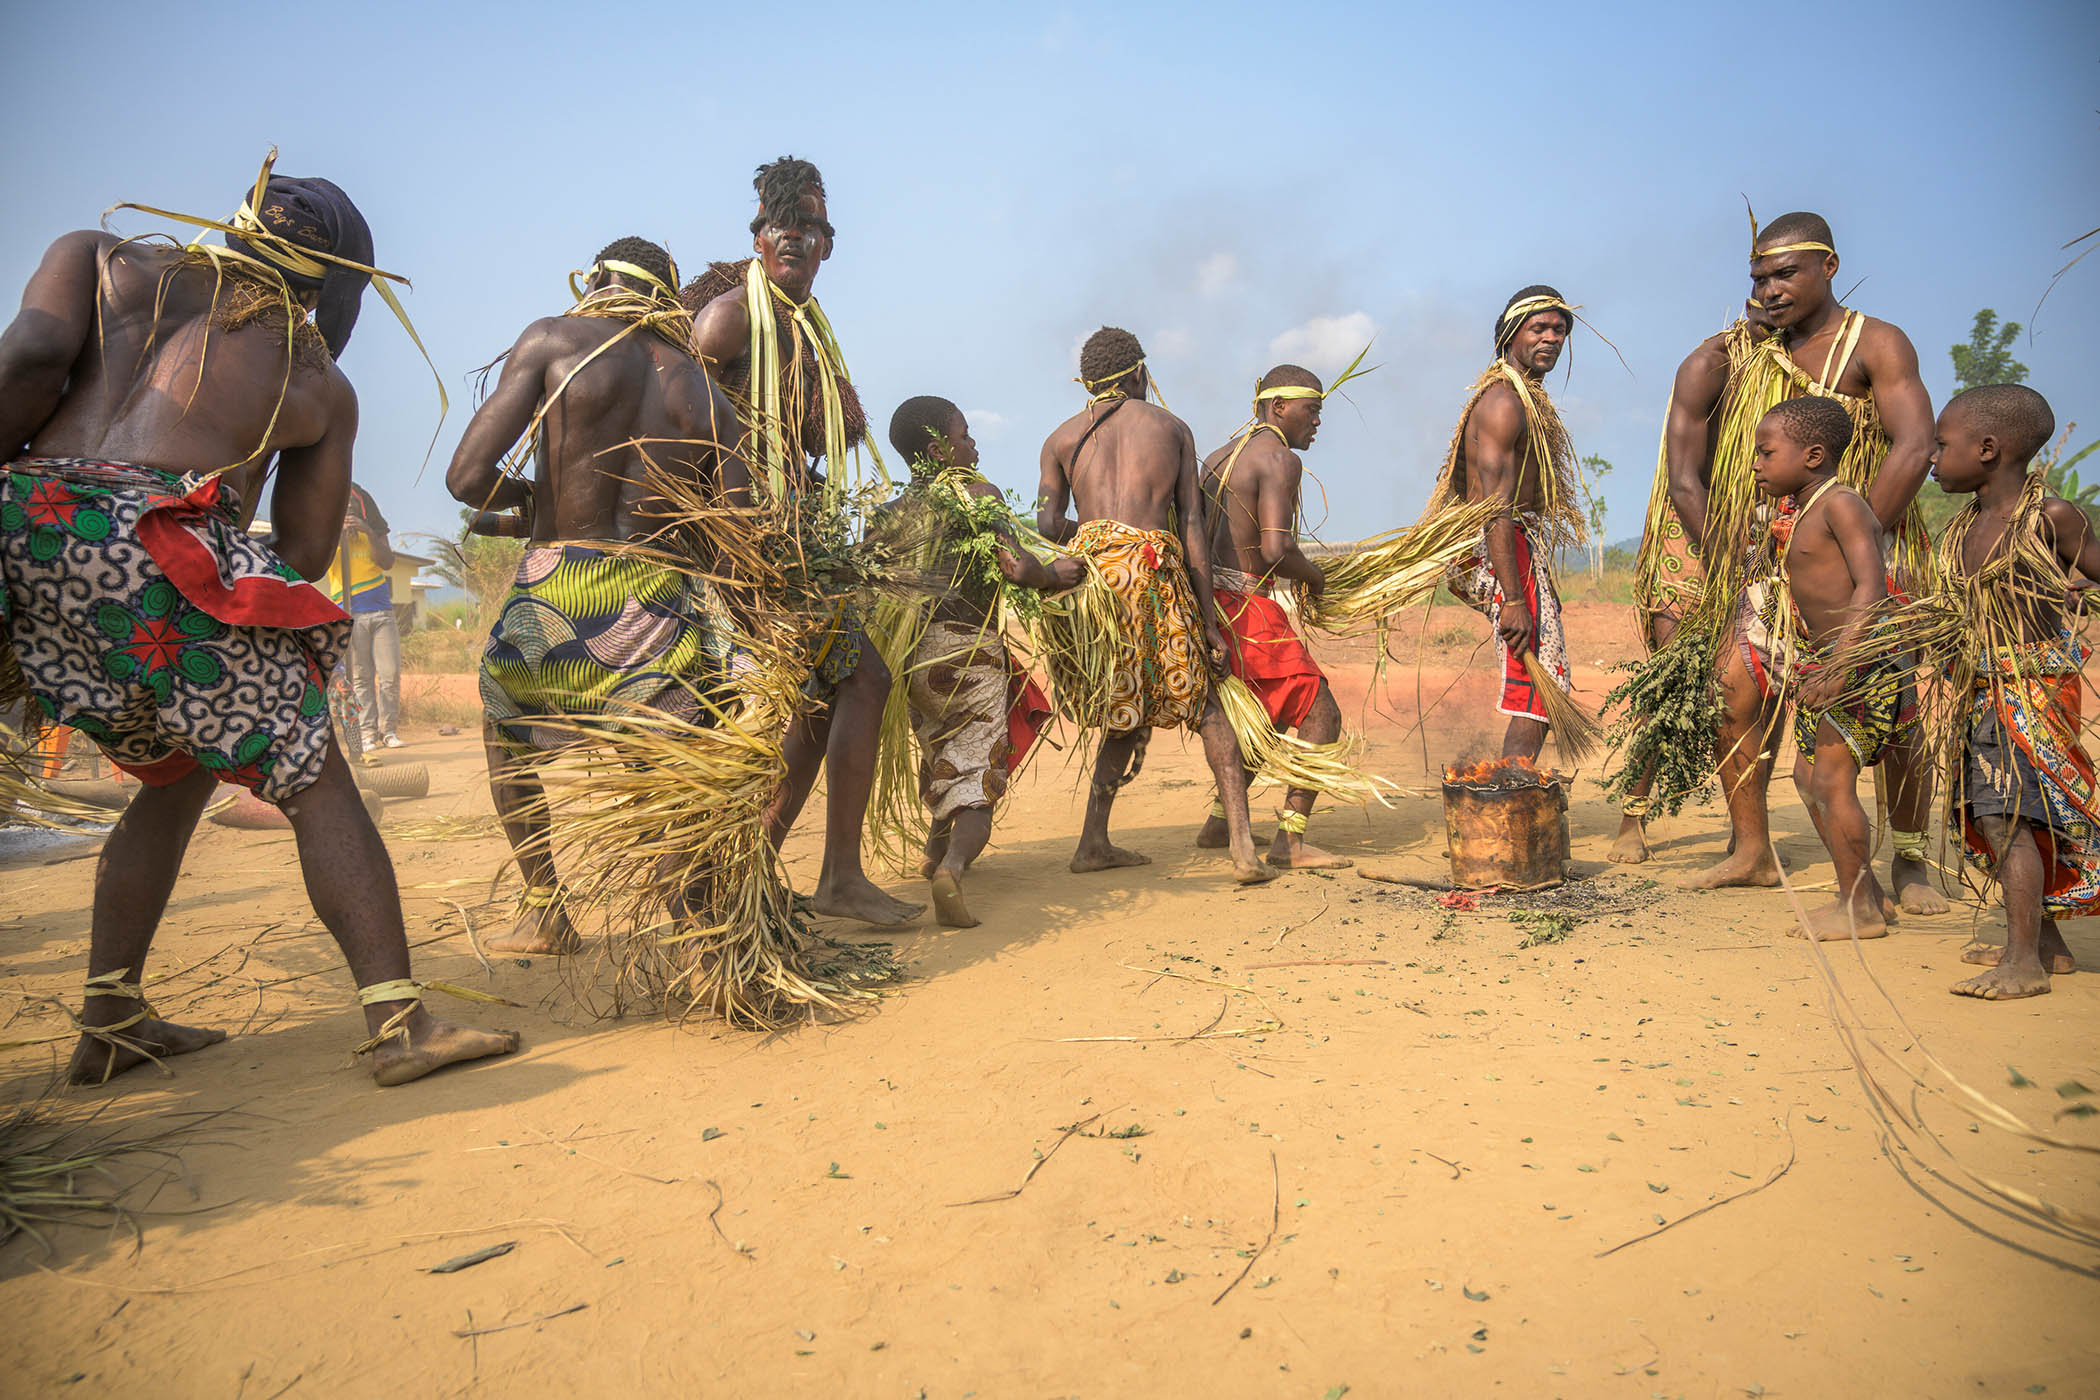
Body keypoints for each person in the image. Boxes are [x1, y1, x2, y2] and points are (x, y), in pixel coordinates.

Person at [0, 160, 517, 1085]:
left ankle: (111, 1015)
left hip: (20, 525)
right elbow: (310, 552)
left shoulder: (97, 256)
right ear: (336, 287)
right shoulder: (311, 375)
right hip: (155, 546)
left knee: (183, 772)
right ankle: (400, 1023)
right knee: (315, 778)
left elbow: (31, 361)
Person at [447, 237, 744, 956]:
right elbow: (736, 528)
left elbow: (466, 478)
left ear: (600, 281)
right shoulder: (708, 396)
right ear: (671, 304)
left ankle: (546, 911)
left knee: (505, 731)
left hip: (554, 589)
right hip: (652, 603)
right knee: (673, 772)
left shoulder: (555, 339)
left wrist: (533, 500)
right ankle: (699, 940)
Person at [1670, 214, 1943, 913]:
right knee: (1734, 689)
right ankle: (1752, 849)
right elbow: (1687, 471)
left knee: (1897, 711)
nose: (1769, 288)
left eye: (1784, 273)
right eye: (1758, 275)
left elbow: (1915, 446)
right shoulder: (1740, 353)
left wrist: (1845, 543)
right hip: (1773, 555)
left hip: (1868, 552)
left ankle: (1911, 860)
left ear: (1829, 266)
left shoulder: (1876, 344)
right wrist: (1741, 559)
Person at [685, 156, 917, 927]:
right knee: (839, 686)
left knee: (846, 685)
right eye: (781, 223)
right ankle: (788, 877)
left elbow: (817, 431)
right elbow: (681, 428)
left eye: (811, 224)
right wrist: (726, 533)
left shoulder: (802, 331)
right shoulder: (726, 318)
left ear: (829, 243)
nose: (795, 234)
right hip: (743, 553)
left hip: (793, 543)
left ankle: (778, 870)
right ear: (758, 238)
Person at [1036, 326, 1278, 885]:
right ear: (1139, 373)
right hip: (1153, 571)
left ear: (1088, 381)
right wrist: (1209, 623)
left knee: (1124, 708)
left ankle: (1093, 842)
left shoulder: (1059, 438)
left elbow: (1049, 525)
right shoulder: (1171, 427)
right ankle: (1242, 846)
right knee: (1206, 703)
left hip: (1095, 583)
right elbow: (1191, 523)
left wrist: (1102, 540)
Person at [1925, 385, 2100, 998]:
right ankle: (2045, 945)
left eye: (1943, 445)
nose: (1932, 456)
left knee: (2006, 816)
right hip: (1980, 687)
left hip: (2033, 691)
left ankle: (2022, 959)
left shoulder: (2048, 518)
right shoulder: (1965, 526)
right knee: (2006, 813)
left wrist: (2073, 593)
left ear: (1989, 449)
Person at [878, 397, 1078, 927]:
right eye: (966, 436)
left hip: (913, 661)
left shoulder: (890, 514)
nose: (975, 445)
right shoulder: (977, 496)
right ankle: (952, 867)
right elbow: (1015, 566)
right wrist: (1055, 574)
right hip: (970, 653)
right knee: (979, 780)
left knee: (944, 751)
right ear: (940, 449)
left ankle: (930, 850)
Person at [1610, 301, 1773, 862]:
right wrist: (1730, 561)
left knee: (1759, 688)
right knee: (1670, 689)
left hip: (1765, 537)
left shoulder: (1807, 365)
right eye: (1761, 288)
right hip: (1693, 539)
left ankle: (1748, 835)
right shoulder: (1711, 364)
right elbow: (1684, 481)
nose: (1772, 300)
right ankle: (1632, 821)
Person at [1755, 398, 1919, 939]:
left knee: (1829, 780)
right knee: (1808, 779)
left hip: (1861, 660)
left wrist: (1844, 662)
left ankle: (1861, 909)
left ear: (1814, 455)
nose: (1756, 462)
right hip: (1827, 661)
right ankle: (1865, 889)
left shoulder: (1842, 504)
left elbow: (1871, 587)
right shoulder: (1805, 509)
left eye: (1766, 452)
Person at [1192, 364, 1352, 869]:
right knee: (1319, 712)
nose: (1318, 421)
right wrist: (1319, 578)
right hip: (1249, 609)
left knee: (1255, 717)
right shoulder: (1278, 459)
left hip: (1212, 604)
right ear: (1279, 406)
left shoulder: (1218, 459)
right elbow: (1277, 549)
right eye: (1314, 409)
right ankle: (1291, 841)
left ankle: (1221, 823)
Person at [1419, 287, 1587, 762]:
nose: (1552, 338)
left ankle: (1510, 786)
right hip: (1497, 543)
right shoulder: (1503, 403)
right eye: (1539, 329)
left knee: (1542, 672)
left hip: (1506, 543)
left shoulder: (1524, 398)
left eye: (1559, 330)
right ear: (1511, 335)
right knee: (1540, 681)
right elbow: (1493, 504)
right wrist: (1514, 598)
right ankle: (1510, 793)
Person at [328, 481, 403, 749]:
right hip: (349, 613)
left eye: (352, 509)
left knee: (390, 674)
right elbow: (319, 565)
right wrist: (336, 533)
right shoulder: (327, 538)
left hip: (380, 609)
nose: (348, 514)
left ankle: (389, 731)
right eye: (343, 509)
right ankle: (368, 732)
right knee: (360, 675)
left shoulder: (371, 531)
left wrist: (368, 532)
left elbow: (387, 562)